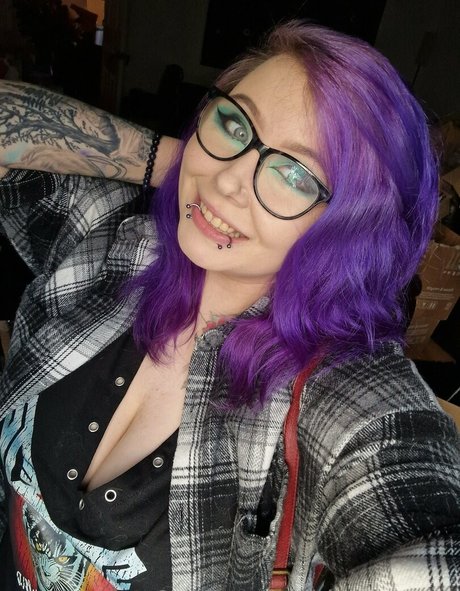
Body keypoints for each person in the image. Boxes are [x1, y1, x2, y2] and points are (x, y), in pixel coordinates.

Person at [0, 20, 459, 591]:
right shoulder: (112, 241)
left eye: (296, 173)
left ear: (349, 228)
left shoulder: (342, 400)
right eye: (234, 123)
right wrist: (182, 164)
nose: (228, 181)